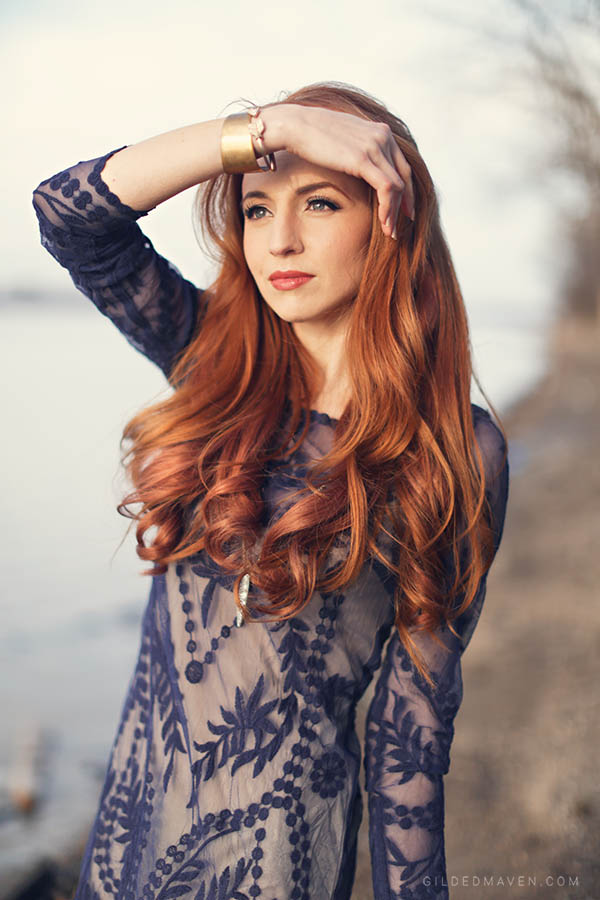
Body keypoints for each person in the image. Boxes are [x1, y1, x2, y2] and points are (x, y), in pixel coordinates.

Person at [32, 81, 509, 900]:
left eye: (319, 204)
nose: (280, 240)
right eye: (257, 208)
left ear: (390, 219)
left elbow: (410, 744)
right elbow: (69, 216)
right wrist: (266, 130)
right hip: (124, 857)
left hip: (272, 872)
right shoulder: (216, 366)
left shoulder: (453, 451)